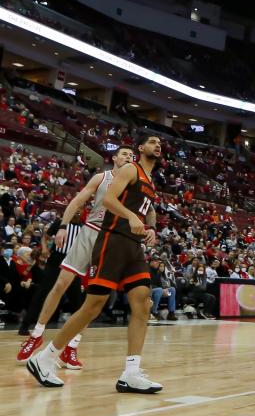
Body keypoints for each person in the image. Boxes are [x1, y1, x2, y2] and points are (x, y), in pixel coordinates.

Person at [27, 135, 162, 393]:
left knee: (143, 303)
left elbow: (146, 211)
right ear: (141, 148)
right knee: (93, 306)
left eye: (160, 143)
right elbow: (109, 200)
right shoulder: (130, 169)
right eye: (152, 142)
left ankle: (131, 373)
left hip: (133, 246)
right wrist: (132, 216)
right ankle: (45, 358)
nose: (157, 145)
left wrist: (149, 228)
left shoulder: (149, 181)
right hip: (111, 241)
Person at [17, 146, 138, 365]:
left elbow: (143, 211)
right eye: (124, 154)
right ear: (114, 158)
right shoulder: (102, 177)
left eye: (131, 155)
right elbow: (76, 201)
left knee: (95, 297)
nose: (128, 157)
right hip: (90, 231)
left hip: (111, 239)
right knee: (61, 283)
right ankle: (36, 335)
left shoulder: (134, 185)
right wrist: (63, 226)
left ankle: (71, 347)